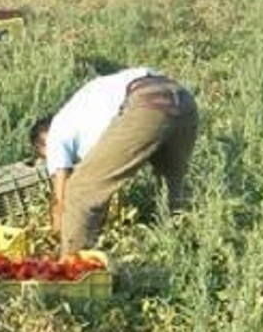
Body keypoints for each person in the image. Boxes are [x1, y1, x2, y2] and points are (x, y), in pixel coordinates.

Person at [29, 67, 199, 254]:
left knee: (77, 191)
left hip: (145, 103)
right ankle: (186, 249)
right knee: (172, 190)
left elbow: (61, 201)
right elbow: (105, 184)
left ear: (43, 144)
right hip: (181, 98)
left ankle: (71, 272)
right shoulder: (82, 117)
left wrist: (56, 236)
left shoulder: (55, 133)